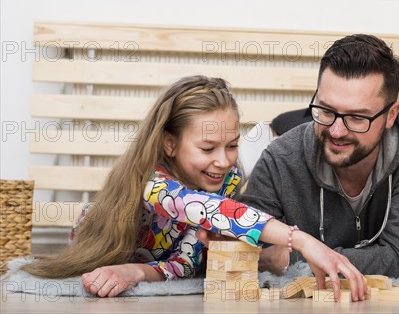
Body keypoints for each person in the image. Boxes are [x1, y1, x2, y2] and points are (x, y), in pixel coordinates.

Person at [21, 75, 367, 301]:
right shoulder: (155, 185)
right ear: (170, 144)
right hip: (111, 246)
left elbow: (188, 261)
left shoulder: (226, 180)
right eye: (207, 148)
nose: (223, 160)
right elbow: (208, 211)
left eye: (232, 145)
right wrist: (301, 239)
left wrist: (144, 273)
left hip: (168, 257)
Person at [240, 34, 399, 277]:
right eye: (326, 110)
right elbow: (248, 252)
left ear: (391, 115)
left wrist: (292, 258)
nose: (336, 131)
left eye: (357, 117)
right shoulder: (279, 158)